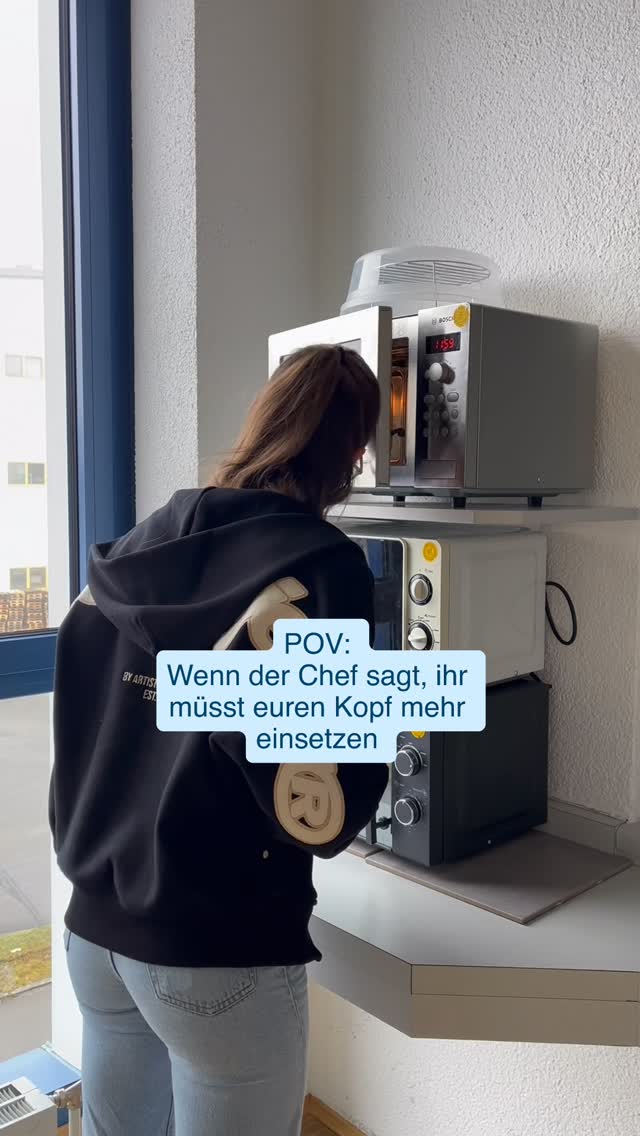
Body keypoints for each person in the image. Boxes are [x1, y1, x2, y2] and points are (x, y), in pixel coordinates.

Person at [50, 344, 389, 1136]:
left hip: (96, 934)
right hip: (215, 948)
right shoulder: (320, 569)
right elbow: (323, 808)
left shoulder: (141, 550)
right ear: (352, 453)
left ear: (262, 422)